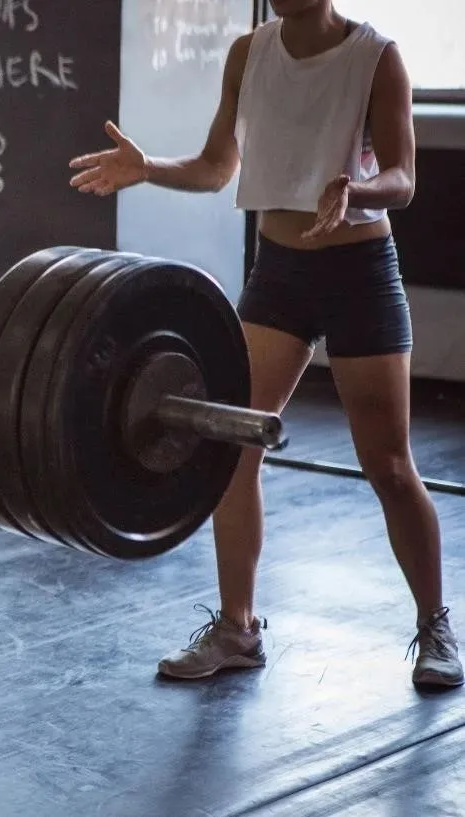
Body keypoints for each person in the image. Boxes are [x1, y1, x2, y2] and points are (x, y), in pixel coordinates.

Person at [66, 0, 462, 688]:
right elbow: (218, 166)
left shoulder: (378, 57)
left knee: (390, 465)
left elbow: (403, 179)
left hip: (360, 270)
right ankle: (237, 629)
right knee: (230, 446)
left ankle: (435, 626)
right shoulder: (250, 54)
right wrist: (147, 166)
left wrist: (357, 186)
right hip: (280, 272)